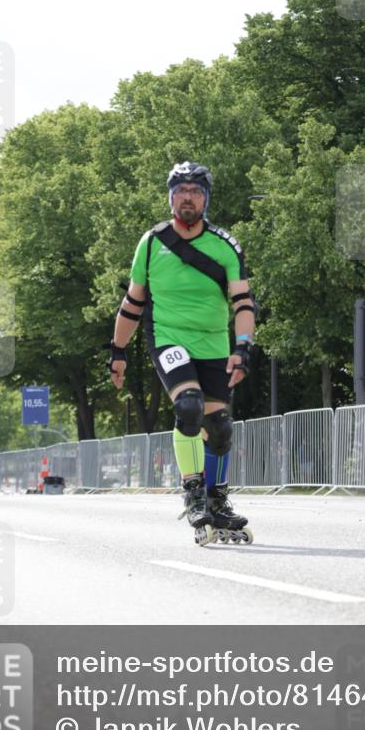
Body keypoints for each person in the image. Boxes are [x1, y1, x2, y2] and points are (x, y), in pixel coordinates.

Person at [107, 161, 256, 537]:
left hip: (213, 344)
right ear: (171, 198)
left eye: (195, 191)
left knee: (219, 427)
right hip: (169, 338)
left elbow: (243, 303)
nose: (187, 197)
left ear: (205, 199)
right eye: (181, 191)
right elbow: (132, 303)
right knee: (188, 405)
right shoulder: (152, 243)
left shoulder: (225, 245)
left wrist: (243, 348)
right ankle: (193, 494)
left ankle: (216, 499)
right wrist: (118, 351)